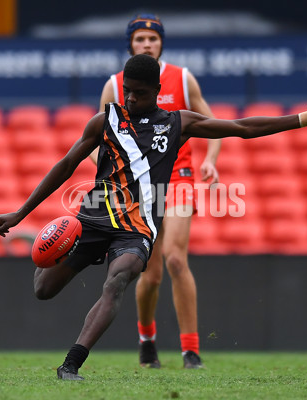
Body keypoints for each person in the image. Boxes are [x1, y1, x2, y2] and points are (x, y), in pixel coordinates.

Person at [0, 54, 307, 381]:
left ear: (158, 91)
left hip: (137, 229)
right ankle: (54, 236)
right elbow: (66, 165)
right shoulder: (105, 121)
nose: (132, 99)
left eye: (141, 93)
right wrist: (21, 212)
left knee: (118, 281)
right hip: (93, 216)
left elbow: (242, 128)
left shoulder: (178, 123)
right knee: (43, 289)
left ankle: (70, 365)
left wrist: (305, 118)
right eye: (128, 91)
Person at [92, 13, 221, 369]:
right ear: (130, 45)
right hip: (139, 186)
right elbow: (95, 140)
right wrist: (109, 171)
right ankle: (147, 341)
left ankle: (190, 351)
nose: (146, 44)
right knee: (150, 274)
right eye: (139, 39)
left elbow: (211, 122)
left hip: (178, 176)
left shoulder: (182, 78)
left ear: (161, 42)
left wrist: (211, 158)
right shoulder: (115, 87)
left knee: (177, 259)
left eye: (152, 38)